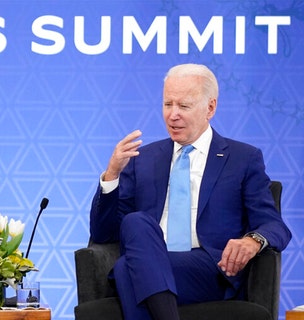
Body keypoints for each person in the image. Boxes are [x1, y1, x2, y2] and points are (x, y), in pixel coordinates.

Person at [89, 63, 291, 320]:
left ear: (210, 107)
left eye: (183, 106)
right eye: (167, 104)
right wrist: (112, 175)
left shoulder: (243, 158)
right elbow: (103, 233)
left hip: (209, 269)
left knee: (126, 270)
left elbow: (275, 226)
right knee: (136, 223)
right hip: (149, 259)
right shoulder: (142, 159)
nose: (172, 115)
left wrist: (253, 240)